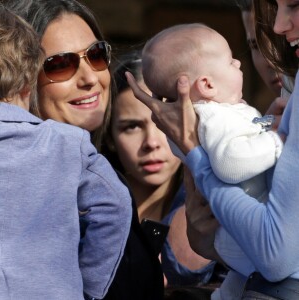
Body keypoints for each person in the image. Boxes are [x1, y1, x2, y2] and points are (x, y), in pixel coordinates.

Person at [126, 0, 299, 298]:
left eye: (294, 6)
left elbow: (274, 257)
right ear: (206, 84)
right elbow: (232, 161)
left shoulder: (209, 120)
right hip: (242, 243)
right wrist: (275, 137)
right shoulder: (212, 116)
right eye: (252, 46)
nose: (279, 29)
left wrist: (195, 152)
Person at [3, 0, 165, 299]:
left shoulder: (113, 172)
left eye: (96, 55)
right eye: (60, 64)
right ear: (22, 77)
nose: (90, 78)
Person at [103, 51, 217, 292]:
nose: (151, 142)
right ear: (110, 137)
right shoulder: (89, 207)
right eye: (132, 126)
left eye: (161, 124)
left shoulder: (213, 201)